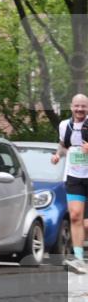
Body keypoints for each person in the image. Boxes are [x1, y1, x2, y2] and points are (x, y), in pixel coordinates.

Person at [51, 93, 88, 274]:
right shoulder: (65, 125)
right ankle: (79, 258)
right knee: (75, 216)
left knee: (86, 223)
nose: (80, 109)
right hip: (74, 175)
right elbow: (64, 145)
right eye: (77, 106)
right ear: (71, 107)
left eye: (83, 106)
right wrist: (58, 155)